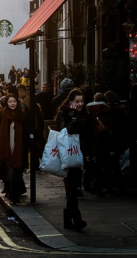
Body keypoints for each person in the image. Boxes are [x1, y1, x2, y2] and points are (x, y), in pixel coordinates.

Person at [55, 88, 92, 231]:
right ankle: (76, 220)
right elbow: (64, 132)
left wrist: (89, 152)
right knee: (72, 188)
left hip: (80, 153)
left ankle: (69, 220)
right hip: (68, 153)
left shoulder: (85, 114)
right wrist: (74, 117)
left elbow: (87, 135)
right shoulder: (63, 113)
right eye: (77, 101)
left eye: (82, 101)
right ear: (70, 102)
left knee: (73, 188)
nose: (80, 104)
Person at [0, 94, 28, 204]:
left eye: (14, 101)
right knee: (10, 173)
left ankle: (15, 192)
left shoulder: (22, 115)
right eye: (10, 102)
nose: (13, 103)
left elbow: (27, 133)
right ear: (7, 104)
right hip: (7, 149)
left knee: (18, 173)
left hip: (19, 148)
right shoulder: (3, 115)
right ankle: (13, 196)